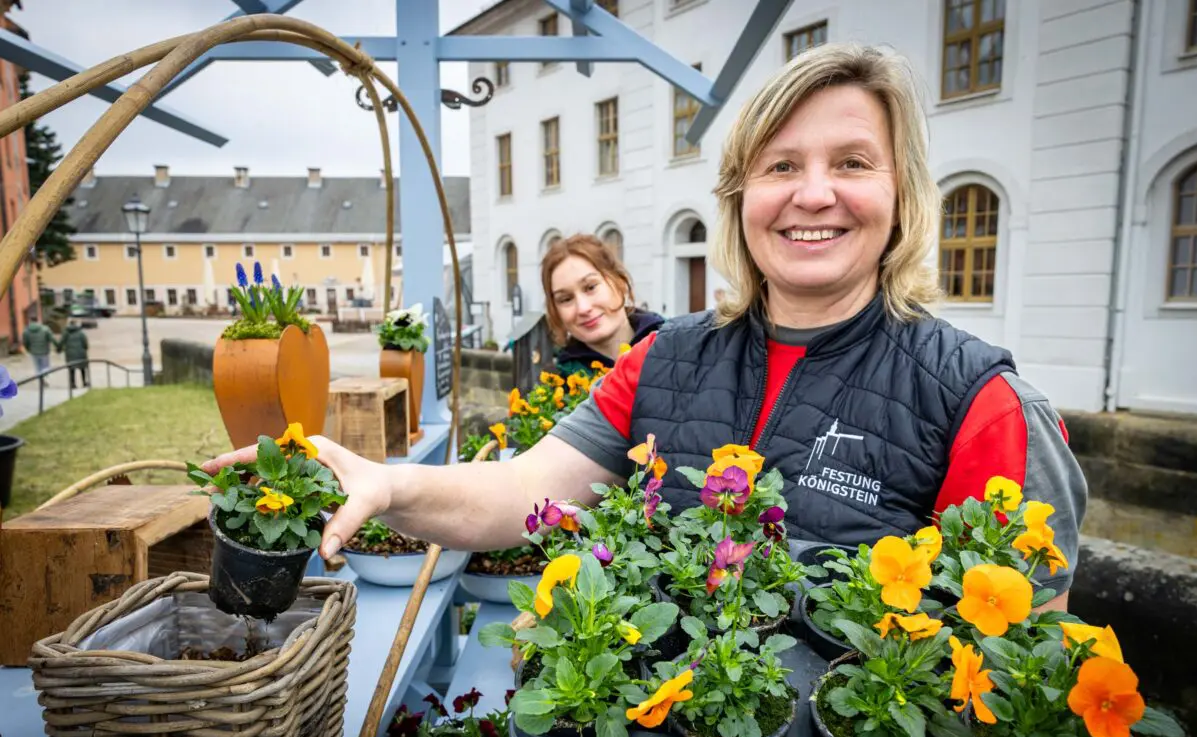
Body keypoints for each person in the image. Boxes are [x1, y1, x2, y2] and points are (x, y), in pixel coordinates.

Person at [202, 43, 1085, 609]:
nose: (813, 193)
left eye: (851, 163)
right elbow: (519, 494)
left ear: (901, 197)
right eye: (781, 166)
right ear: (743, 200)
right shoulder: (667, 360)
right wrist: (388, 484)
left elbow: (1022, 650)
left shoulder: (980, 400)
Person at [541, 234, 663, 376]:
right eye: (566, 299)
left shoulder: (677, 347)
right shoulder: (560, 390)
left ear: (619, 282)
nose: (583, 308)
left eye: (591, 287)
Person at [59, 320, 90, 389]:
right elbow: (85, 343)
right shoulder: (81, 333)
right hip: (81, 353)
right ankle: (84, 382)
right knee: (82, 368)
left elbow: (61, 342)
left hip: (70, 353)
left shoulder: (66, 333)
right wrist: (85, 348)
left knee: (71, 369)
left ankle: (72, 384)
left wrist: (59, 349)